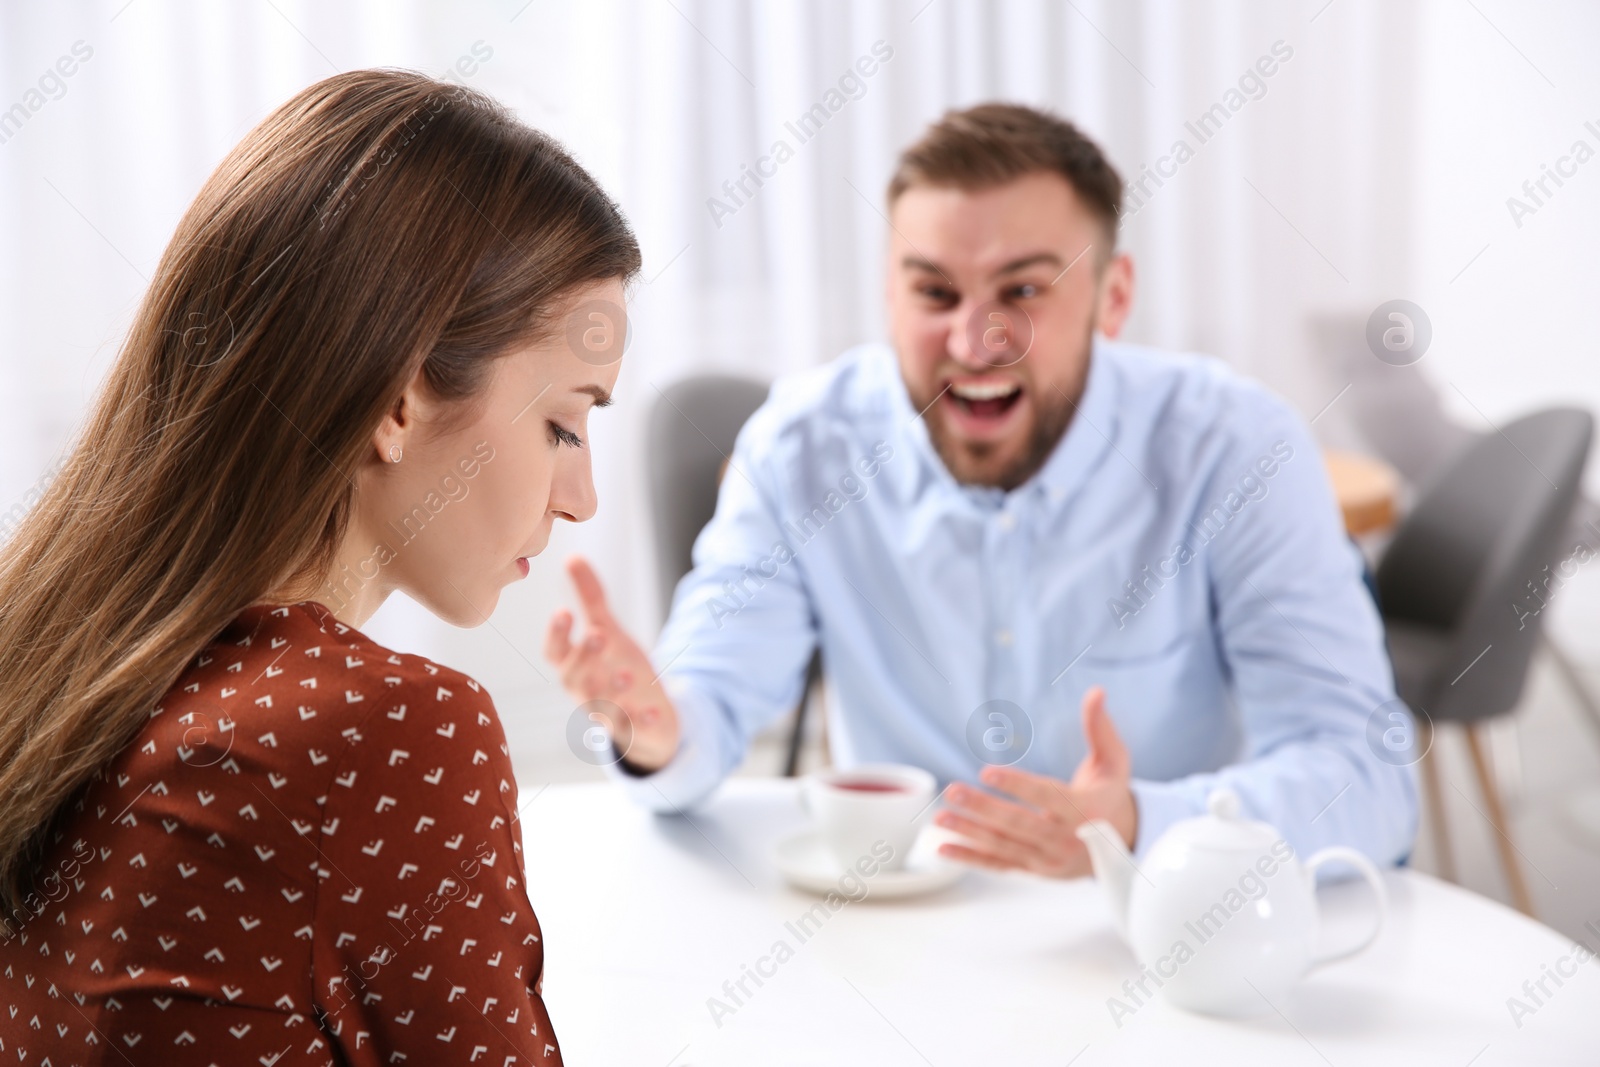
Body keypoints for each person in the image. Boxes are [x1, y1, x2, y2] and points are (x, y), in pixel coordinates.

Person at [547, 103, 1417, 875]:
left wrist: (1141, 823)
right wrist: (660, 734)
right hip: (896, 947)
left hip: (1151, 934)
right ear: (889, 295)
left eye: (1024, 288)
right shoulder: (802, 447)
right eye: (934, 290)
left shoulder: (1236, 449)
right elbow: (708, 704)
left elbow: (1368, 781)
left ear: (1113, 298)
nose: (975, 339)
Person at [0, 70, 639, 1064]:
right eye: (563, 423)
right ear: (396, 400)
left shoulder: (62, 656)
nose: (580, 495)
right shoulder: (383, 733)